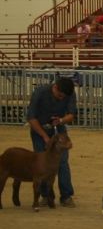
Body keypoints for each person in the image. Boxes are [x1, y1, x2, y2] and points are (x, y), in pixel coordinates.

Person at [26, 77, 77, 207]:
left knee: (63, 162)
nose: (62, 98)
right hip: (39, 129)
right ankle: (45, 195)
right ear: (55, 87)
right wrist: (44, 136)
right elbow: (31, 118)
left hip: (58, 129)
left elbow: (71, 114)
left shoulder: (69, 93)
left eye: (64, 97)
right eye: (60, 95)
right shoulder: (40, 93)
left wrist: (61, 121)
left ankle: (66, 196)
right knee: (41, 164)